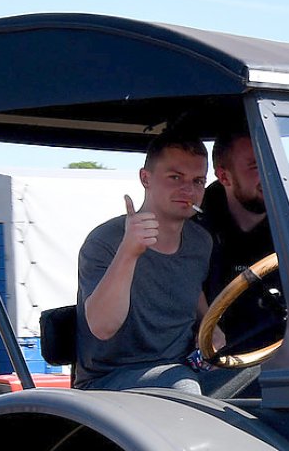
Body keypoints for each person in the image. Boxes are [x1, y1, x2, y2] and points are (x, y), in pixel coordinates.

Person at [75, 131, 227, 392]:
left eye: (198, 181)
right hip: (109, 380)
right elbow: (102, 327)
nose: (188, 190)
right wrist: (129, 251)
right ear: (146, 178)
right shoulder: (105, 241)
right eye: (175, 177)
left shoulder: (200, 241)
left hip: (182, 367)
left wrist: (210, 326)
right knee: (182, 386)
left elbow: (192, 287)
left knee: (264, 379)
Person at [198, 132, 286, 355]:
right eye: (256, 167)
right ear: (224, 177)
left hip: (285, 357)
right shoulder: (191, 234)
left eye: (272, 164)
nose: (269, 176)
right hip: (217, 365)